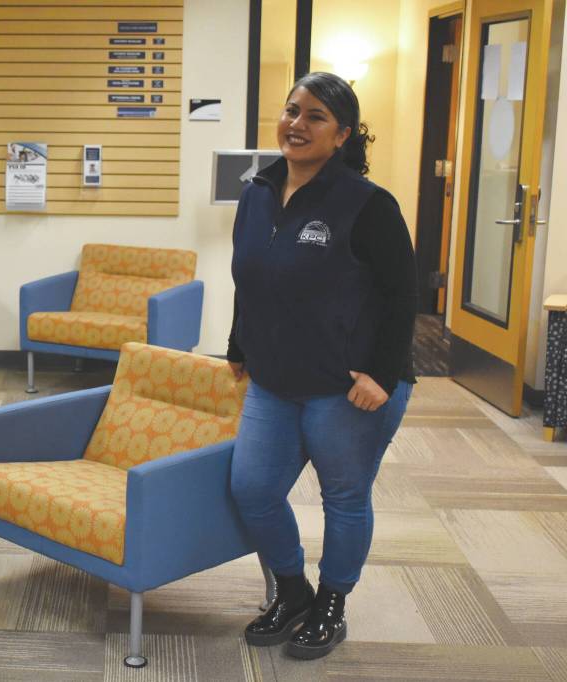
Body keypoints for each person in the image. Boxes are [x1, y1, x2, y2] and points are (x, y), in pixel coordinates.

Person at [226, 72, 416, 660]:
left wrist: (382, 376)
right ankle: (293, 591)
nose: (296, 124)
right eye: (291, 111)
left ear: (343, 135)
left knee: (344, 496)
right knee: (252, 489)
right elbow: (248, 278)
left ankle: (333, 604)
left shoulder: (368, 204)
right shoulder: (257, 192)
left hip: (348, 385)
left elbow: (403, 296)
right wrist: (238, 346)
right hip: (275, 378)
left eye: (314, 117)